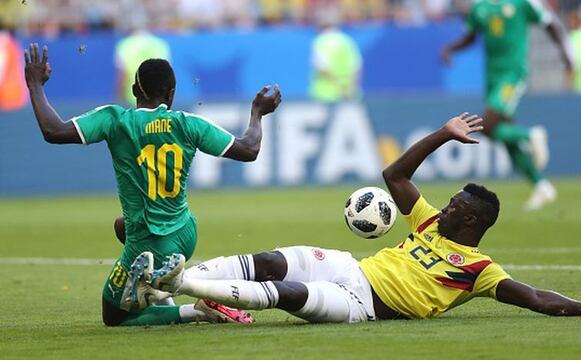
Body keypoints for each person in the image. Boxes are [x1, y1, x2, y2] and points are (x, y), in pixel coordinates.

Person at [130, 113, 581, 323]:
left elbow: (534, 297)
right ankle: (170, 282)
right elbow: (394, 174)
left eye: (457, 204)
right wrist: (443, 134)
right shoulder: (428, 222)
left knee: (287, 297)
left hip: (362, 304)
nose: (446, 205)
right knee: (269, 261)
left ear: (472, 221)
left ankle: (179, 282)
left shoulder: (479, 269)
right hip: (352, 267)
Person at [23, 43, 282, 326]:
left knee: (114, 317)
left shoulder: (115, 120)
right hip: (185, 233)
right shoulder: (188, 123)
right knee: (121, 225)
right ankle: (159, 287)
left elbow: (53, 130)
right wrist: (257, 112)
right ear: (171, 94)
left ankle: (197, 310)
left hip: (149, 240)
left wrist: (35, 84)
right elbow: (249, 149)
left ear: (135, 91)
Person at [441, 0, 575, 210]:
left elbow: (550, 23)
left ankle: (530, 136)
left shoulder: (523, 3)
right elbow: (470, 36)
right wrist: (450, 49)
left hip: (512, 74)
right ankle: (541, 185)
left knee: (488, 124)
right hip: (492, 78)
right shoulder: (480, 7)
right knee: (502, 135)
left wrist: (565, 52)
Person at [309, 10, 363, 102]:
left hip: (325, 95)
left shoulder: (320, 41)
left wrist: (338, 86)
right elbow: (357, 67)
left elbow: (321, 67)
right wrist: (349, 87)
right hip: (349, 93)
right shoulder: (347, 40)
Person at [115, 30, 171, 105]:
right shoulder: (159, 44)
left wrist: (119, 96)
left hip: (133, 96)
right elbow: (167, 74)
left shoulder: (125, 45)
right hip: (157, 96)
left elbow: (122, 74)